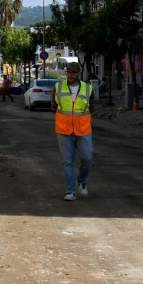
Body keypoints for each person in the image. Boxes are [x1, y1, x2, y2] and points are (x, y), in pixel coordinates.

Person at [53, 62, 94, 201]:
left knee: (87, 158)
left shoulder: (88, 88)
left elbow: (92, 107)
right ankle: (71, 191)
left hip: (83, 130)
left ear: (78, 73)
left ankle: (82, 182)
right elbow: (54, 106)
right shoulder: (58, 87)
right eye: (68, 72)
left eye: (73, 72)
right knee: (67, 162)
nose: (70, 75)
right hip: (64, 131)